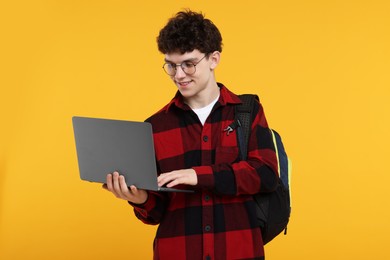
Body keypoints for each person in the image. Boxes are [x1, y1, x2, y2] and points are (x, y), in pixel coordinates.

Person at [103, 10, 278, 260]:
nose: (179, 75)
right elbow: (158, 212)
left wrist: (198, 175)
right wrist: (139, 198)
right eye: (171, 65)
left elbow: (265, 175)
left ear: (213, 59)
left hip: (239, 252)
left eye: (189, 64)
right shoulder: (155, 126)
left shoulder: (246, 112)